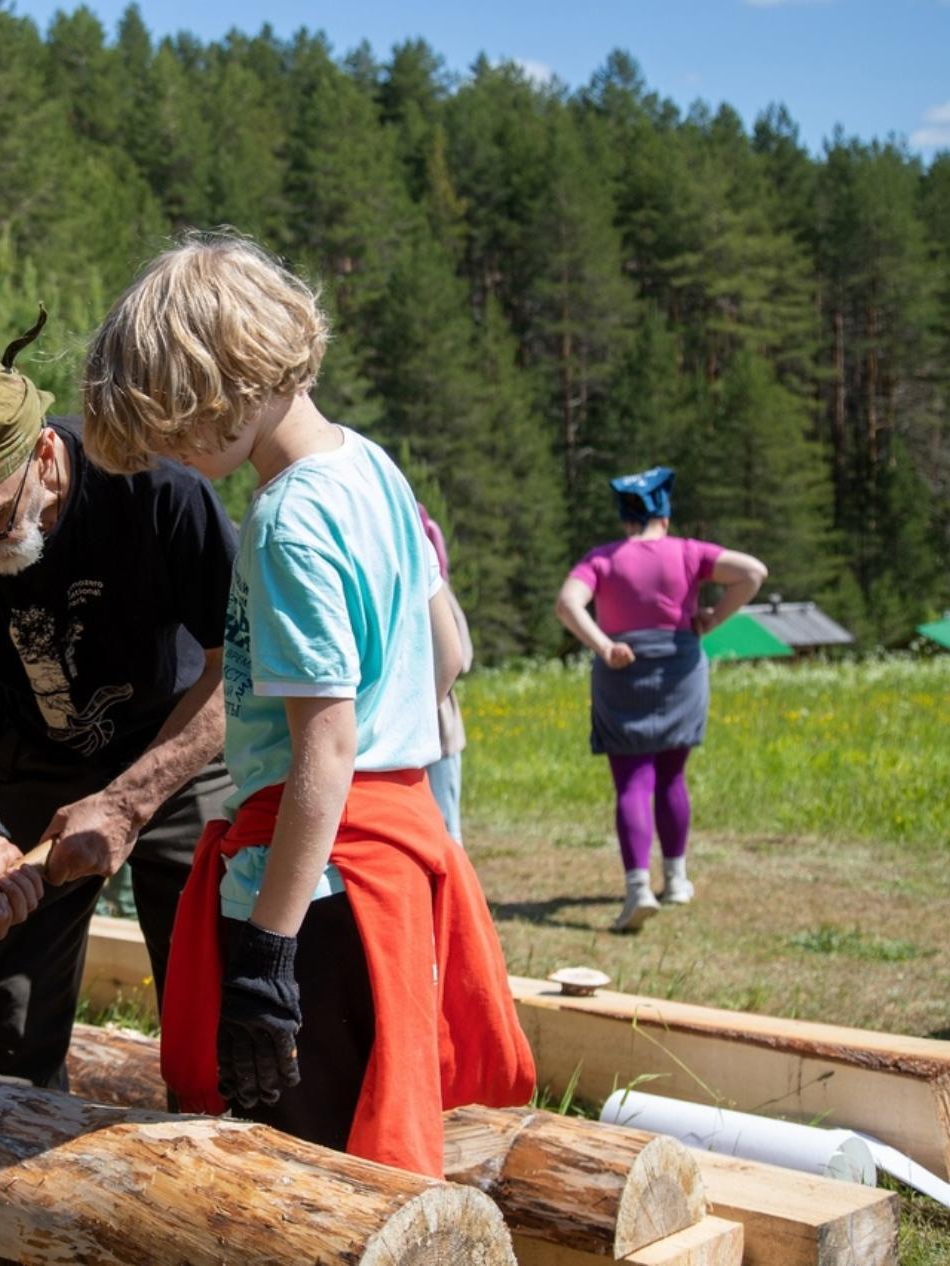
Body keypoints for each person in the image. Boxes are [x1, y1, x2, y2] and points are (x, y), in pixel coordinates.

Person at [81, 232, 533, 1176]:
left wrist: (267, 958)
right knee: (376, 1146)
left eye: (168, 426)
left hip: (317, 895)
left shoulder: (286, 520)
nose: (168, 450)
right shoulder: (371, 468)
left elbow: (324, 751)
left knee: (310, 1176)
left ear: (214, 389)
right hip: (392, 869)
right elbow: (449, 653)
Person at [0, 310, 236, 1091]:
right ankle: (9, 1192)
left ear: (43, 453)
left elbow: (238, 673)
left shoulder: (156, 490)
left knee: (218, 999)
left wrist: (131, 801)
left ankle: (222, 1166)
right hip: (32, 747)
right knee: (6, 1019)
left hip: (179, 746)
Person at [554, 467, 768, 932]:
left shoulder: (603, 559)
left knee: (632, 780)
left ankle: (638, 889)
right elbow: (753, 573)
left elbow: (568, 604)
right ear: (664, 518)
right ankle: (676, 880)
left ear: (624, 518)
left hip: (622, 669)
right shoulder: (690, 552)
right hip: (680, 665)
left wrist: (604, 646)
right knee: (672, 775)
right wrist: (713, 618)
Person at [419, 505, 473, 845]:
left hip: (438, 722)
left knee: (446, 828)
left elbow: (459, 656)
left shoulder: (433, 584)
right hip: (427, 721)